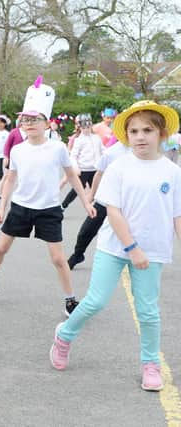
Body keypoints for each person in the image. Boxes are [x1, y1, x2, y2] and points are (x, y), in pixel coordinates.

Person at [50, 100, 181, 392]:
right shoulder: (119, 167)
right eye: (134, 131)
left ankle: (150, 364)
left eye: (148, 130)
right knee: (95, 301)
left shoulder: (172, 172)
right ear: (126, 135)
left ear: (161, 133)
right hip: (115, 246)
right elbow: (114, 211)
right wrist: (132, 248)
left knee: (148, 310)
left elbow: (177, 214)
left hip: (153, 250)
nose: (140, 136)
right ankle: (65, 335)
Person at [0, 76, 96, 316]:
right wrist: (2, 207)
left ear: (47, 123)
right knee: (0, 249)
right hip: (20, 207)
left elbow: (72, 177)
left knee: (58, 259)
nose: (29, 124)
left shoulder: (58, 148)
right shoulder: (18, 150)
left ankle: (70, 299)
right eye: (25, 120)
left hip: (49, 209)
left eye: (34, 120)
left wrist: (86, 202)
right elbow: (10, 179)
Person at [66, 137, 131, 270]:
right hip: (107, 199)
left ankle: (135, 259)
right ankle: (78, 254)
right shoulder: (112, 152)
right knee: (87, 230)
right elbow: (99, 174)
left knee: (131, 231)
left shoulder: (145, 153)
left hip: (131, 201)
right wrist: (92, 194)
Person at [61, 113, 103, 210]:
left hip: (95, 169)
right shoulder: (78, 140)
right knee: (77, 189)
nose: (86, 129)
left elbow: (103, 150)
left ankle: (96, 208)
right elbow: (73, 156)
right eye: (84, 127)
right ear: (80, 127)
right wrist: (76, 167)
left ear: (91, 126)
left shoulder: (96, 138)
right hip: (83, 169)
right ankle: (63, 205)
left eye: (88, 127)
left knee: (97, 189)